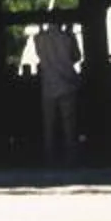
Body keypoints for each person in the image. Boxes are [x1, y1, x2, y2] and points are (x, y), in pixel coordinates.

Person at [30, 12, 82, 164]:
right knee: (69, 124)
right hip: (67, 83)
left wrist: (40, 28)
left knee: (49, 124)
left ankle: (49, 155)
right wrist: (70, 33)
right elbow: (76, 56)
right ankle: (71, 156)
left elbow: (39, 54)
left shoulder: (40, 39)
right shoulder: (67, 38)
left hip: (48, 85)